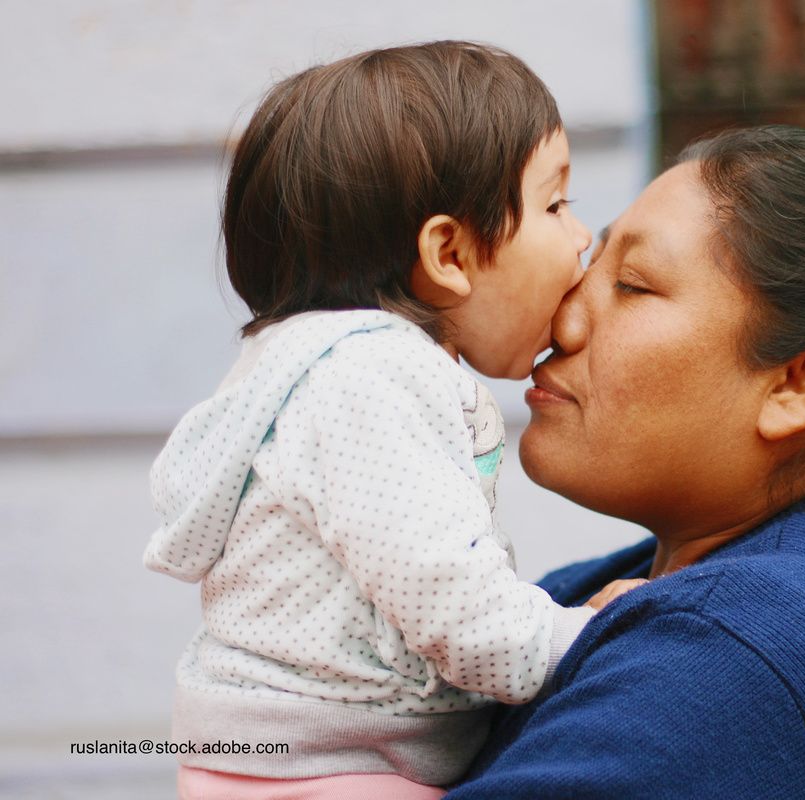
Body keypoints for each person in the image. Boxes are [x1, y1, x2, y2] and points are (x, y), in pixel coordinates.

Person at [447, 125, 805, 799]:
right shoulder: (629, 590)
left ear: (800, 384)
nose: (562, 319)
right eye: (591, 262)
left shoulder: (742, 648)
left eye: (632, 285)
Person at [142, 42, 643, 799]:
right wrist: (590, 636)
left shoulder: (333, 366)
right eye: (554, 204)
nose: (581, 237)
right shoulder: (371, 378)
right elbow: (455, 608)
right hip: (329, 767)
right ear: (447, 252)